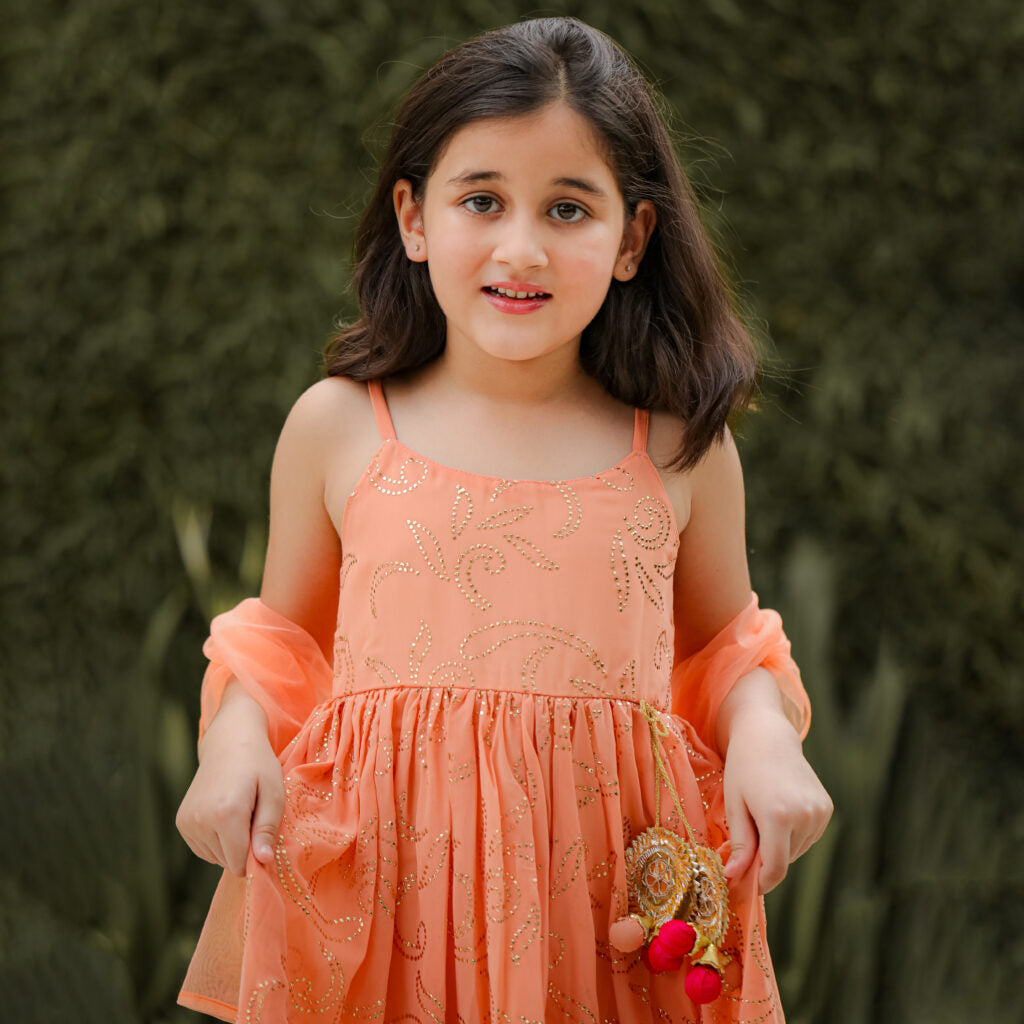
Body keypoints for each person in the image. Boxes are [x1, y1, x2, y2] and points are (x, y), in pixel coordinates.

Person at [175, 16, 832, 1023]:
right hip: (384, 918)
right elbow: (283, 646)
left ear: (631, 240)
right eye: (481, 199)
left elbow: (725, 651)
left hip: (603, 927)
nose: (520, 248)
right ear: (414, 217)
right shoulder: (338, 428)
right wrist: (231, 743)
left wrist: (763, 738)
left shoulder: (677, 450)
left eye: (568, 208)